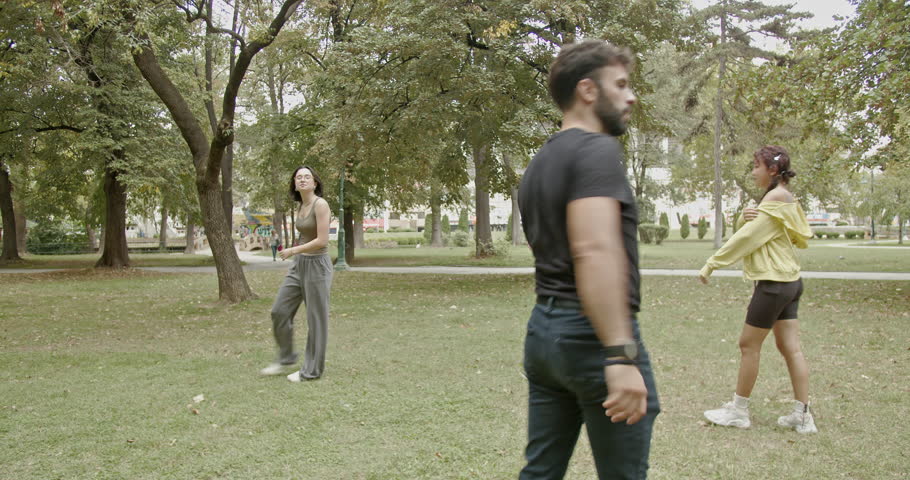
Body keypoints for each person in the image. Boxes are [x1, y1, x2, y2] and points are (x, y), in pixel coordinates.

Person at [517, 40, 660, 480]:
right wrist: (619, 356)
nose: (630, 96)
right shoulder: (595, 151)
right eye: (620, 84)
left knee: (540, 471)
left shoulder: (540, 162)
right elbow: (593, 250)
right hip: (590, 338)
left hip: (544, 333)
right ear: (587, 90)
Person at [698, 145, 817, 434]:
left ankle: (739, 412)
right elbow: (769, 231)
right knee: (790, 347)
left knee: (748, 345)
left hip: (774, 285)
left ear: (772, 170)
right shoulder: (785, 198)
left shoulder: (774, 199)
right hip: (790, 282)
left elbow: (749, 237)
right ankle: (802, 416)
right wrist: (744, 216)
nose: (753, 173)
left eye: (756, 166)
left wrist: (713, 262)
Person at [260, 166, 333, 382]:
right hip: (299, 265)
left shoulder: (321, 205)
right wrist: (296, 254)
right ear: (294, 183)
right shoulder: (301, 206)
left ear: (315, 182)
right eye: (298, 177)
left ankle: (311, 371)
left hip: (318, 266)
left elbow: (322, 240)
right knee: (279, 311)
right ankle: (287, 356)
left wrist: (293, 250)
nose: (302, 180)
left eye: (307, 177)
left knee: (316, 320)